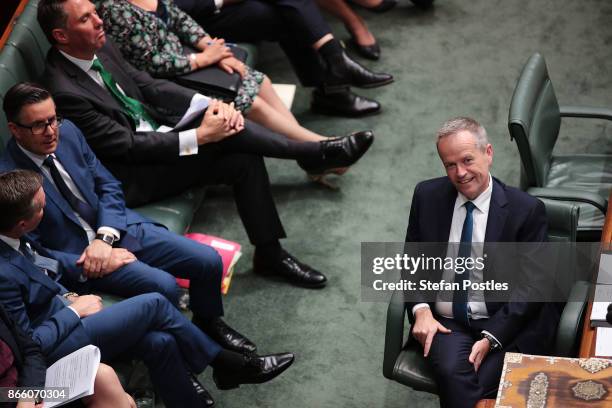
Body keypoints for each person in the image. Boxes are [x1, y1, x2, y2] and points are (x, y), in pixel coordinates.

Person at [37, 0, 374, 288]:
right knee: (226, 139)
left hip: (156, 135)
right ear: (61, 36)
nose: (99, 20)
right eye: (85, 18)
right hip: (132, 178)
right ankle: (313, 153)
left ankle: (270, 253)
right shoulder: (64, 90)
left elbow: (146, 84)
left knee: (242, 157)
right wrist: (199, 136)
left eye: (95, 12)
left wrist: (205, 104)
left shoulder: (98, 43)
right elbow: (126, 146)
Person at [0, 82, 274, 358]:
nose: (50, 131)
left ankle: (208, 323)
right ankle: (187, 355)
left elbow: (107, 184)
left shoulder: (68, 132)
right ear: (14, 129)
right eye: (38, 125)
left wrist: (105, 237)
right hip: (83, 260)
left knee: (208, 261)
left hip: (115, 227)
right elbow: (32, 254)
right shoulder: (9, 181)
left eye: (53, 119)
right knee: (164, 285)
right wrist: (96, 258)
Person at [0, 169, 294, 408]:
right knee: (154, 302)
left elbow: (43, 272)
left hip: (67, 313)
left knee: (159, 343)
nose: (47, 207)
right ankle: (225, 362)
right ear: (25, 222)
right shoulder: (3, 273)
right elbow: (29, 344)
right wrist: (75, 311)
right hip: (55, 345)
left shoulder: (16, 236)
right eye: (43, 205)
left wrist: (67, 295)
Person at [404, 117, 560, 408]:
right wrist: (421, 309)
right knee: (457, 373)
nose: (460, 173)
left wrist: (491, 337)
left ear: (488, 153)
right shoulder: (427, 196)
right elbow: (413, 260)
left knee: (463, 382)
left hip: (506, 322)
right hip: (447, 324)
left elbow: (534, 285)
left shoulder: (525, 211)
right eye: (450, 165)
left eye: (467, 160)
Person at [96, 0, 359, 145]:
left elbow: (181, 20)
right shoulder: (113, 10)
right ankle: (318, 146)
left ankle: (308, 149)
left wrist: (213, 49)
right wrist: (202, 59)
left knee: (260, 80)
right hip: (166, 84)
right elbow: (149, 63)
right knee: (252, 102)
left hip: (190, 63)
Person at [172, 0, 393, 116]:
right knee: (279, 15)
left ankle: (334, 70)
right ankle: (334, 70)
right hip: (193, 18)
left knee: (286, 9)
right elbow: (164, 8)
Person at [0, 302, 135, 408]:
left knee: (103, 376)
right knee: (153, 303)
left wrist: (27, 396)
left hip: (22, 390)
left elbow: (30, 350)